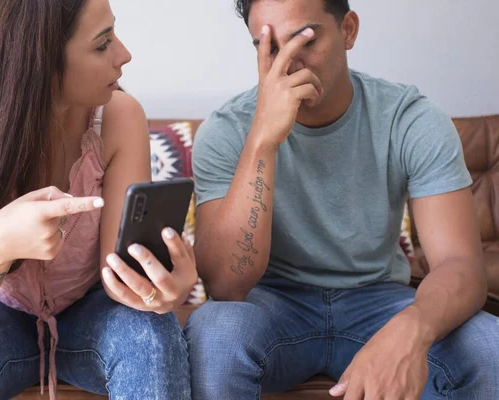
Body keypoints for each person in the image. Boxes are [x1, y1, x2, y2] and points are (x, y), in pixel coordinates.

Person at [185, 0, 499, 399]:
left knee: (490, 347)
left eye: (306, 40)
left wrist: (412, 328)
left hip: (379, 299)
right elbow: (225, 285)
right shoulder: (228, 129)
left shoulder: (410, 119)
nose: (289, 65)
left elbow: (461, 266)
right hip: (273, 303)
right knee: (214, 333)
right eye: (269, 49)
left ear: (348, 30)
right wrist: (262, 140)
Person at [0, 1, 196, 399]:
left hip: (90, 310)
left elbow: (118, 280)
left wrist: (158, 290)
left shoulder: (120, 117)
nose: (124, 55)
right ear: (37, 62)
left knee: (152, 336)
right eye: (102, 43)